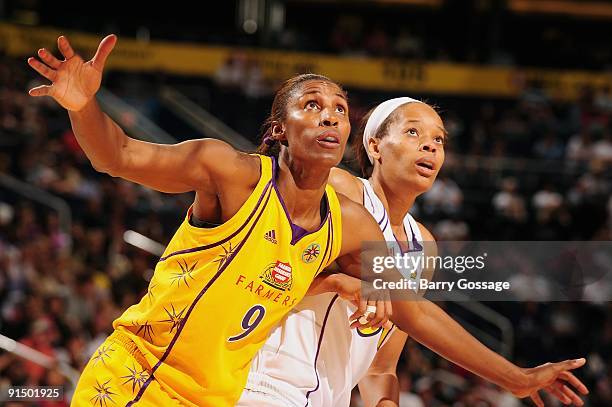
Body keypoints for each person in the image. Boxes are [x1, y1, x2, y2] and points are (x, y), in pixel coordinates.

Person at [27, 34, 394, 406]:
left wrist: (345, 283)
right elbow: (117, 155)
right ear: (279, 129)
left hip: (216, 398)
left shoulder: (350, 222)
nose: (329, 115)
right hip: (140, 377)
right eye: (312, 105)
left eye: (340, 110)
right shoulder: (230, 173)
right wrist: (83, 104)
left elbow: (391, 287)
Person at [238, 98, 590, 407]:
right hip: (266, 381)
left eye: (438, 139)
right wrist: (337, 281)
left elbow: (380, 366)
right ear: (375, 146)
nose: (430, 146)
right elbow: (265, 265)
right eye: (413, 133)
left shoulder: (423, 244)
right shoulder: (342, 188)